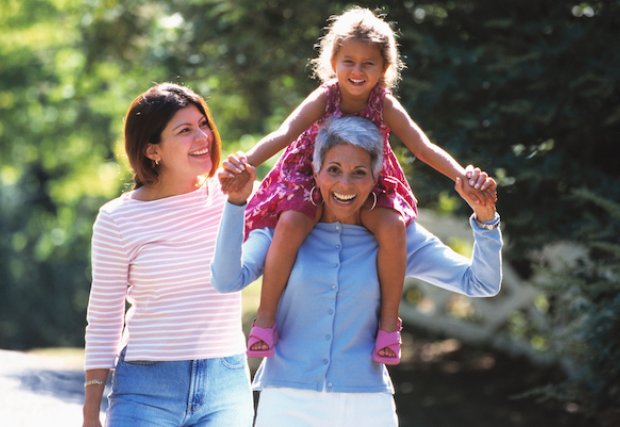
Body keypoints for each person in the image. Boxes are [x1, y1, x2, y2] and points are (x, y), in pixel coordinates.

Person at [222, 6, 495, 363]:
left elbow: (422, 147)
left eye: (369, 63)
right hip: (311, 174)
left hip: (368, 178)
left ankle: (388, 325)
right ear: (333, 60)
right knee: (290, 222)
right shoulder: (325, 96)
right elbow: (285, 132)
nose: (357, 71)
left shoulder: (384, 103)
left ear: (384, 68)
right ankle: (266, 317)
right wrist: (247, 163)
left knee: (394, 225)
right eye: (348, 61)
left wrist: (463, 176)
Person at [212, 115, 502, 427]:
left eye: (359, 172)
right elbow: (227, 280)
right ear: (316, 170)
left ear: (376, 177)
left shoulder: (398, 238)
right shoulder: (282, 231)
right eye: (333, 170)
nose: (345, 184)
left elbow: (481, 283)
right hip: (286, 402)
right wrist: (236, 204)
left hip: (367, 406)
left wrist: (486, 220)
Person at [82, 83, 254, 427]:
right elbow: (104, 319)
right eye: (185, 130)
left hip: (226, 382)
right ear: (152, 150)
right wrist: (91, 413)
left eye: (204, 124)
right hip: (145, 389)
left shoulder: (235, 197)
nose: (203, 136)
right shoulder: (117, 219)